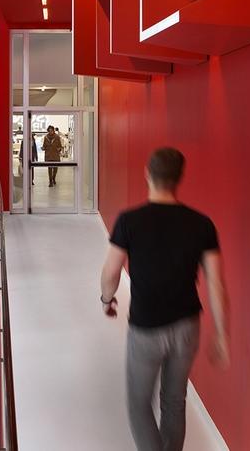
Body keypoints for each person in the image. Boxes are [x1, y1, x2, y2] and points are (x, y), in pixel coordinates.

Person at [100, 147, 230, 451]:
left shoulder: (130, 220)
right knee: (174, 401)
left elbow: (110, 273)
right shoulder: (202, 224)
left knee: (138, 404)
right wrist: (222, 334)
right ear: (179, 179)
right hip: (187, 326)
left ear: (148, 173)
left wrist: (107, 300)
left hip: (146, 327)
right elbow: (216, 285)